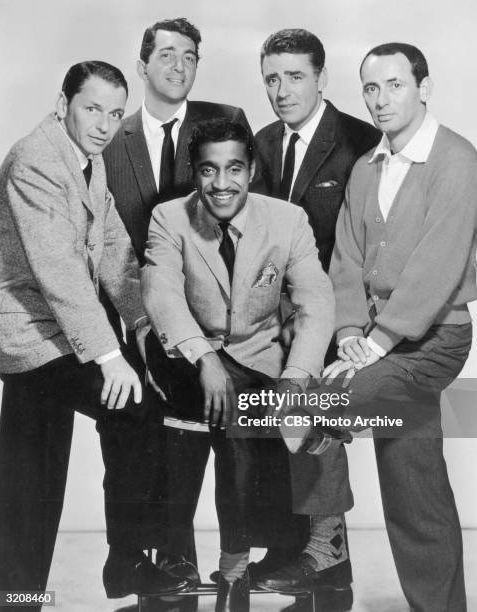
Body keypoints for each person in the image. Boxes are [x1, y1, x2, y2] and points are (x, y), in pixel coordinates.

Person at [260, 43, 477, 612]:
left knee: (313, 408)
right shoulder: (366, 168)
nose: (381, 100)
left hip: (433, 340)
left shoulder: (457, 160)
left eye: (395, 85)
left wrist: (373, 346)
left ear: (424, 87)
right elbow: (347, 262)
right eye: (371, 89)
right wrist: (351, 330)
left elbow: (439, 265)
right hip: (376, 342)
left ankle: (325, 547)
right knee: (415, 487)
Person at [0, 61, 188, 609]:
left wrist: (145, 326)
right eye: (91, 108)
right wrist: (111, 356)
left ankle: (18, 596)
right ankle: (124, 561)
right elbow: (58, 273)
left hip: (59, 329)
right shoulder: (35, 160)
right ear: (64, 105)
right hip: (31, 334)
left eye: (112, 112)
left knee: (29, 471)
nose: (104, 124)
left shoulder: (86, 158)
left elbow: (113, 253)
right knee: (131, 409)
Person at [141, 117, 335, 612]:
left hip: (257, 356)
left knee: (245, 431)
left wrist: (296, 379)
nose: (221, 184)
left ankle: (234, 571)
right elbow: (161, 295)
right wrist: (203, 356)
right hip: (189, 353)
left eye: (233, 169)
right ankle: (186, 564)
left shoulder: (287, 220)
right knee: (194, 434)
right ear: (194, 171)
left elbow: (316, 302)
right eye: (209, 170)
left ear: (250, 170)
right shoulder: (169, 217)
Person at [102, 19, 251, 590]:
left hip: (216, 319)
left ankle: (232, 562)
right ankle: (167, 564)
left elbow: (246, 213)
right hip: (137, 318)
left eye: (190, 55)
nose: (178, 65)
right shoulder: (111, 139)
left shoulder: (225, 122)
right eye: (166, 54)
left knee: (217, 434)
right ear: (142, 66)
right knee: (150, 438)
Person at [251, 28, 379, 610]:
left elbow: (373, 245)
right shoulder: (261, 142)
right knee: (274, 428)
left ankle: (323, 549)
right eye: (272, 77)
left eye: (294, 75)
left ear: (321, 77)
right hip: (278, 320)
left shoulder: (361, 141)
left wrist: (360, 330)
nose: (281, 89)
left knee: (312, 420)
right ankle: (314, 558)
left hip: (346, 320)